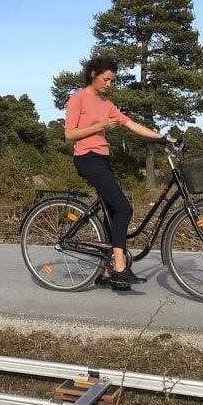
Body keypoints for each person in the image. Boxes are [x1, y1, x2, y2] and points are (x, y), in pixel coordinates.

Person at [64, 56, 170, 286]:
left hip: (103, 159)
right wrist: (99, 126)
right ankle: (119, 267)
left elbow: (131, 124)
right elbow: (69, 134)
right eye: (106, 79)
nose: (109, 84)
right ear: (93, 74)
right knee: (123, 209)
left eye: (112, 80)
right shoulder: (78, 99)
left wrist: (162, 137)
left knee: (112, 214)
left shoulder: (106, 104)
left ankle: (105, 273)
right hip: (86, 158)